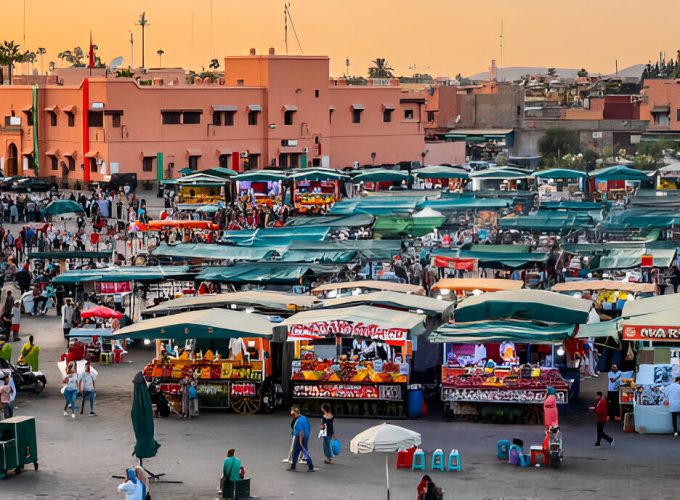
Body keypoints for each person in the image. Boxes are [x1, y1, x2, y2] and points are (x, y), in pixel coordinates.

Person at [289, 405, 314, 471]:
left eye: (293, 414)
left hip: (300, 438)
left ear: (296, 413)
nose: (293, 416)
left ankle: (293, 466)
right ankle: (310, 465)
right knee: (305, 452)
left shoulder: (299, 421)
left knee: (295, 452)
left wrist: (300, 442)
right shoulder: (304, 417)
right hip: (305, 438)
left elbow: (301, 432)